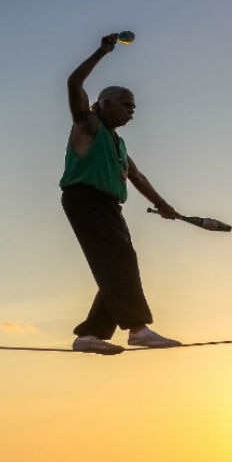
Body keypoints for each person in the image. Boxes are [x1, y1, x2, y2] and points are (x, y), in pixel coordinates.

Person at [60, 33, 184, 355]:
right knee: (119, 262)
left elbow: (137, 176)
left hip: (108, 206)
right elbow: (74, 83)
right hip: (85, 199)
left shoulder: (117, 143)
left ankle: (90, 335)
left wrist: (162, 204)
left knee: (119, 265)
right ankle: (137, 329)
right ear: (105, 103)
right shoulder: (88, 125)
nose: (132, 111)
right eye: (127, 105)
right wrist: (102, 52)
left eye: (134, 107)